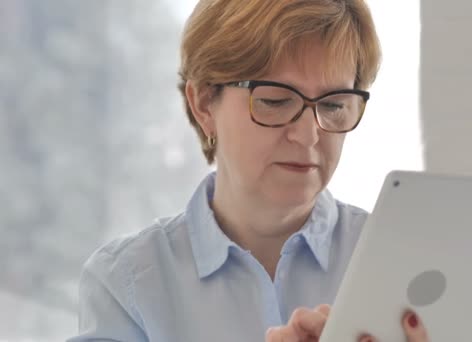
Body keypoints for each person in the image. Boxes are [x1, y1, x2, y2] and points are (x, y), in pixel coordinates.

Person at [68, 0, 430, 341]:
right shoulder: (124, 285)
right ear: (204, 103)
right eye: (275, 101)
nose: (307, 136)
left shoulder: (402, 265)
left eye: (334, 105)